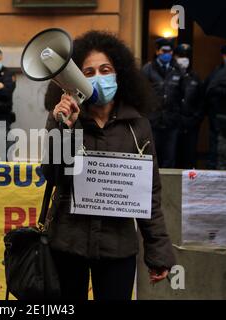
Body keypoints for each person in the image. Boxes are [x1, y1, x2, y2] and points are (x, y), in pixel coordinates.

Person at [42, 30, 175, 301]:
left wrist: (157, 251)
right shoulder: (63, 118)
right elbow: (52, 174)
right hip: (68, 242)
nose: (98, 77)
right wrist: (65, 130)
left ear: (119, 73)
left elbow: (150, 193)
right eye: (88, 72)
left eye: (105, 69)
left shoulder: (139, 125)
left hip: (118, 247)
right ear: (74, 79)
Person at [142, 38, 183, 168]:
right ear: (158, 51)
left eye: (169, 51)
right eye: (164, 51)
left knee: (170, 157)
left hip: (171, 121)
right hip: (153, 121)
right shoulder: (148, 69)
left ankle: (168, 188)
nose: (167, 54)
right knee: (152, 157)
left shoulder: (178, 69)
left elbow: (183, 94)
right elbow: (141, 93)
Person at [174, 44, 204, 169]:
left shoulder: (195, 77)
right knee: (174, 157)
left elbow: (202, 102)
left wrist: (195, 119)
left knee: (189, 157)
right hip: (174, 124)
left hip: (191, 124)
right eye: (181, 56)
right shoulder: (171, 75)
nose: (184, 59)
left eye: (186, 56)